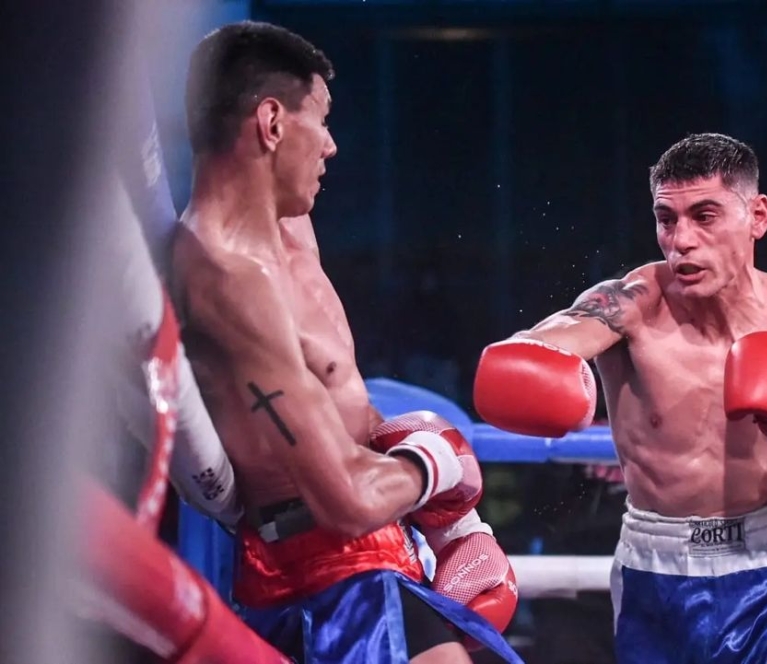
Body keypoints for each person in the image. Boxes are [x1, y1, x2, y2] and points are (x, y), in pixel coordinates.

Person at [171, 21, 520, 664]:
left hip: (379, 550)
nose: (331, 146)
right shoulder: (226, 281)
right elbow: (346, 498)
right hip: (325, 575)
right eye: (321, 120)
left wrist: (453, 523)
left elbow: (337, 402)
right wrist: (441, 463)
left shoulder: (289, 226)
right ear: (272, 123)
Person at [474, 133, 767, 663]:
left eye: (705, 215)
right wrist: (543, 373)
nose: (681, 240)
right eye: (666, 219)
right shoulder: (631, 306)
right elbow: (522, 357)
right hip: (656, 577)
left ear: (757, 216)